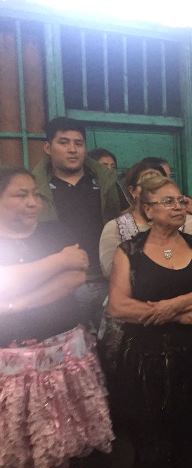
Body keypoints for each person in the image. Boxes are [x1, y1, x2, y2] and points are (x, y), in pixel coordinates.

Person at [106, 175, 192, 468]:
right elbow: (118, 306)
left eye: (180, 200)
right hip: (146, 362)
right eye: (167, 201)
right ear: (148, 209)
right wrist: (175, 315)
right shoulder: (129, 252)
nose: (178, 207)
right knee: (152, 437)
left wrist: (172, 305)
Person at [0, 167, 113, 468]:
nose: (33, 201)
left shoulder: (55, 232)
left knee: (66, 440)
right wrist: (55, 262)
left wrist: (16, 303)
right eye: (20, 195)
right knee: (18, 446)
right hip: (11, 367)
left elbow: (75, 274)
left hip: (64, 357)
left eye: (35, 194)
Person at [32, 117, 120, 327]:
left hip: (106, 281)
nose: (72, 149)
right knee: (70, 351)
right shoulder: (35, 189)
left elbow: (123, 223)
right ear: (48, 147)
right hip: (61, 283)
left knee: (112, 349)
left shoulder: (105, 183)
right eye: (63, 142)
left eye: (78, 143)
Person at [99, 162, 192, 278]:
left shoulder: (187, 222)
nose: (154, 190)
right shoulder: (115, 227)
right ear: (132, 191)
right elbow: (111, 272)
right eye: (146, 185)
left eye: (159, 184)